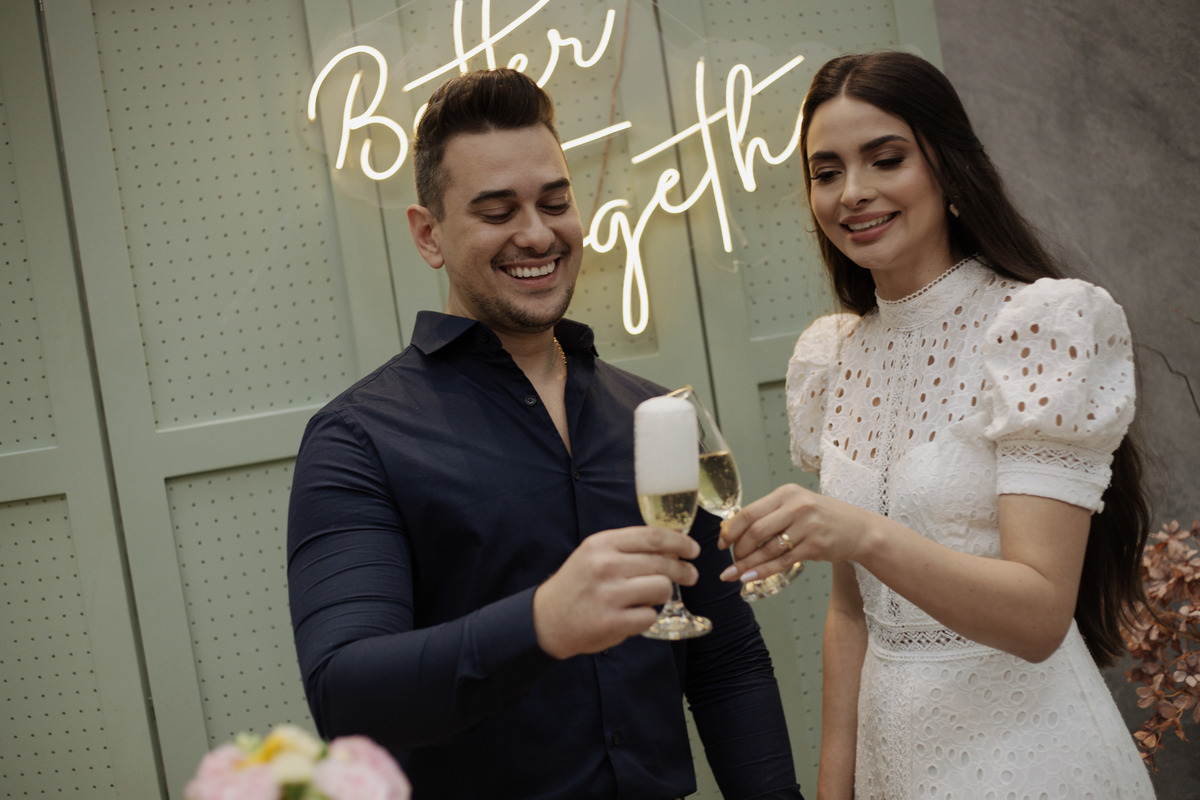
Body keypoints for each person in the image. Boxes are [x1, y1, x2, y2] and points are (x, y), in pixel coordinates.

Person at [287, 67, 802, 800]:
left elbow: (727, 666)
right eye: (497, 211)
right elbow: (346, 693)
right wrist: (542, 623)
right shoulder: (358, 438)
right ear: (429, 234)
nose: (536, 234)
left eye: (555, 203)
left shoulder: (655, 416)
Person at [718, 51, 1155, 798]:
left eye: (885, 159)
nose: (853, 193)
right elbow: (851, 616)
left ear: (949, 169)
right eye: (826, 172)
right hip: (895, 767)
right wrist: (834, 788)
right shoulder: (833, 356)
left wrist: (861, 534)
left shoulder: (1037, 327)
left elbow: (1039, 617)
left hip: (1034, 761)